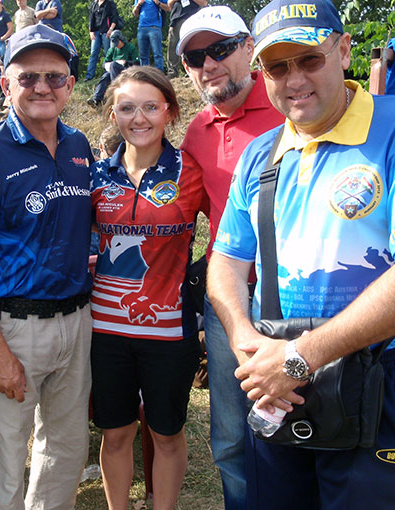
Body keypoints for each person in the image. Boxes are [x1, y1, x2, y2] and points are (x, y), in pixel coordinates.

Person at [207, 0, 395, 508]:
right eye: (277, 66)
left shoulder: (391, 132)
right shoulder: (261, 153)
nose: (294, 80)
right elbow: (226, 260)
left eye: (309, 59)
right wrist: (248, 345)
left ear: (344, 49)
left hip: (378, 385)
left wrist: (297, 359)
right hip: (281, 387)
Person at [0, 24, 93, 510]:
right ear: (6, 83)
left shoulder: (79, 147)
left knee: (66, 450)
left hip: (77, 321)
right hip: (12, 326)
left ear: (70, 86)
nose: (42, 87)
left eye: (54, 77)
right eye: (27, 76)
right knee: (3, 456)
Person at [176, 6, 284, 509]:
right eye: (196, 56)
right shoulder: (197, 129)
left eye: (219, 49)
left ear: (248, 47)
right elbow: (182, 211)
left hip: (309, 300)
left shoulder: (294, 99)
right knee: (231, 437)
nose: (208, 64)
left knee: (312, 429)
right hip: (232, 303)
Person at [90, 65, 204, 510]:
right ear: (114, 115)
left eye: (151, 107)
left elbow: (235, 234)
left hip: (168, 335)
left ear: (170, 113)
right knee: (116, 433)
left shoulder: (191, 172)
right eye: (127, 108)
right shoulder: (97, 175)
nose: (139, 118)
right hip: (106, 333)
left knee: (167, 434)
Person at [87, 29, 139, 107]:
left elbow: (137, 64)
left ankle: (115, 91)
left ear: (121, 40)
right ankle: (97, 100)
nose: (116, 46)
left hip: (126, 71)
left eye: (117, 43)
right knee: (105, 76)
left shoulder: (130, 48)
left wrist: (126, 62)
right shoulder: (112, 50)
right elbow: (105, 63)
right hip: (113, 72)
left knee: (114, 65)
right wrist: (107, 65)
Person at [166, 0, 207, 78]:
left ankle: (192, 70)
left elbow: (204, 3)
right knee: (173, 46)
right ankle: (172, 72)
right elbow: (169, 4)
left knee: (192, 46)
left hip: (193, 19)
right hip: (176, 20)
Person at [84, 0, 120, 81]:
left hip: (106, 31)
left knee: (108, 53)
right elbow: (91, 18)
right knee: (93, 53)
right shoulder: (94, 4)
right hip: (96, 32)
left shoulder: (110, 3)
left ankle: (108, 74)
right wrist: (91, 32)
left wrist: (110, 30)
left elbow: (115, 17)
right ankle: (89, 76)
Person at [133, 0, 169, 71]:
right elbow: (135, 13)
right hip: (141, 27)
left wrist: (158, 2)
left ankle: (159, 74)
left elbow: (168, 8)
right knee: (143, 55)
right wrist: (138, 4)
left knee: (157, 54)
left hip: (155, 27)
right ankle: (145, 75)